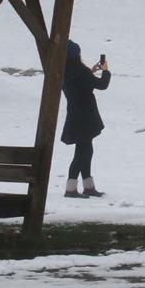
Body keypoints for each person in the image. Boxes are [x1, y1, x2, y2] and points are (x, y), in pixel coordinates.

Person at [61, 41, 110, 198]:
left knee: (86, 151)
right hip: (86, 117)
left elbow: (81, 81)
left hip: (75, 116)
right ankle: (71, 188)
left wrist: (92, 70)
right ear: (77, 55)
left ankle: (88, 187)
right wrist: (105, 71)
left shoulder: (64, 72)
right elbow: (102, 85)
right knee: (82, 153)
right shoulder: (82, 72)